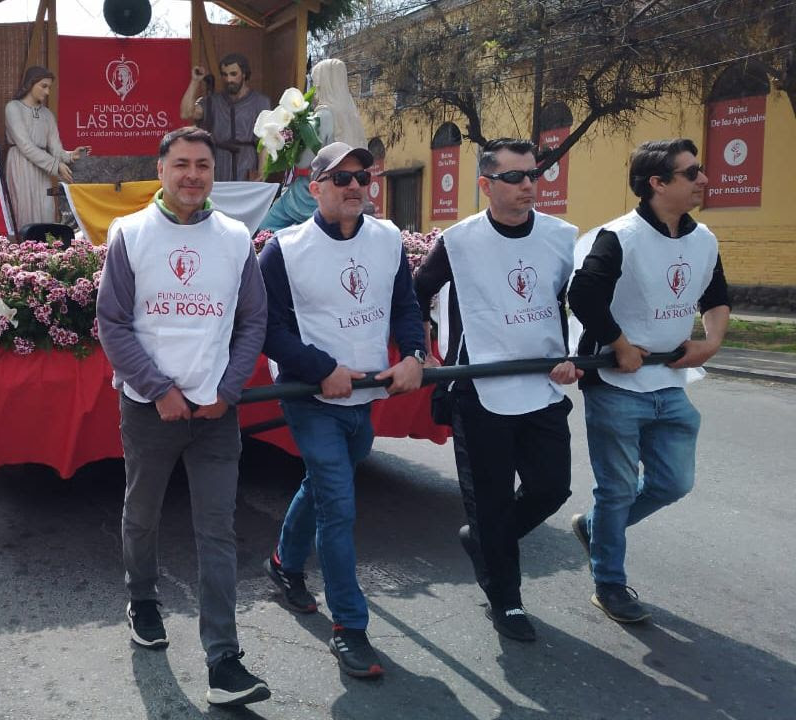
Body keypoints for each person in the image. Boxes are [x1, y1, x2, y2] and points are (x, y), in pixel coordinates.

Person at [96, 127, 270, 707]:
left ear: (213, 174)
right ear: (161, 170)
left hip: (215, 412)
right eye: (182, 164)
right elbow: (112, 322)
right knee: (142, 513)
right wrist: (158, 389)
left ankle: (224, 661)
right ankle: (142, 598)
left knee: (216, 530)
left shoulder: (236, 238)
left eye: (203, 165)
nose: (193, 175)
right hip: (150, 409)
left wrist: (228, 388)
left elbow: (252, 321)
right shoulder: (131, 234)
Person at [258, 142, 426, 679]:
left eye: (363, 176)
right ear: (314, 188)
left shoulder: (387, 239)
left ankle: (284, 563)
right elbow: (267, 329)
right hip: (311, 398)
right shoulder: (282, 250)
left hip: (367, 394)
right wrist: (321, 368)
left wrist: (414, 355)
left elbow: (405, 306)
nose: (355, 185)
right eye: (341, 177)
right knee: (338, 505)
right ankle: (349, 627)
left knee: (322, 485)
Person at [413, 138, 582, 642]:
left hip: (540, 383)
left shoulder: (560, 236)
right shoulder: (459, 241)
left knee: (551, 487)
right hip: (478, 388)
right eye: (513, 177)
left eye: (533, 174)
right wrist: (422, 349)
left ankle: (484, 540)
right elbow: (417, 291)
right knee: (489, 499)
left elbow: (576, 303)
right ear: (486, 186)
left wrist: (574, 352)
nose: (528, 184)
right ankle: (505, 599)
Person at [568, 138, 730, 624]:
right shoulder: (620, 237)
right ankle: (610, 585)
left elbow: (716, 296)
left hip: (670, 383)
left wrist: (711, 343)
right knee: (617, 490)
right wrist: (619, 344)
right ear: (657, 183)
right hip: (617, 385)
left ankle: (595, 528)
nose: (703, 179)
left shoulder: (704, 239)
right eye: (691, 173)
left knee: (673, 482)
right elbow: (583, 294)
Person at [259, 58, 366, 232]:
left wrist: (291, 143)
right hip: (346, 187)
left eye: (316, 84)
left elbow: (305, 161)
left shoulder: (324, 115)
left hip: (316, 192)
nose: (315, 90)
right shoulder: (353, 117)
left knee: (267, 226)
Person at [4, 66, 88, 229]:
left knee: (46, 211)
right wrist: (56, 165)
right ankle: (24, 245)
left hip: (43, 169)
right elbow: (25, 145)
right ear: (30, 84)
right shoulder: (13, 108)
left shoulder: (47, 114)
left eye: (49, 87)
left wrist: (71, 156)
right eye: (43, 86)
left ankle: (47, 245)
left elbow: (55, 149)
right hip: (21, 165)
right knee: (24, 214)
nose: (47, 92)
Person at [180, 53, 272, 182]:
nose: (229, 79)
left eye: (233, 74)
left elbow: (265, 141)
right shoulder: (213, 102)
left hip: (246, 163)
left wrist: (263, 172)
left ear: (244, 74)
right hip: (219, 166)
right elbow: (186, 113)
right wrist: (195, 81)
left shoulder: (260, 102)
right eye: (224, 74)